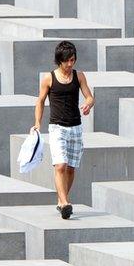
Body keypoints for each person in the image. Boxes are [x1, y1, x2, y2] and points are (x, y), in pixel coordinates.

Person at [33, 41, 95, 219]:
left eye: (73, 60)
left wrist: (88, 105)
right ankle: (65, 202)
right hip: (57, 128)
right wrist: (38, 122)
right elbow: (40, 101)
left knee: (71, 168)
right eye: (67, 61)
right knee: (60, 165)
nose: (70, 64)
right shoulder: (49, 78)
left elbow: (89, 97)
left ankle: (61, 201)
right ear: (59, 61)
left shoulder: (79, 76)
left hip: (75, 127)